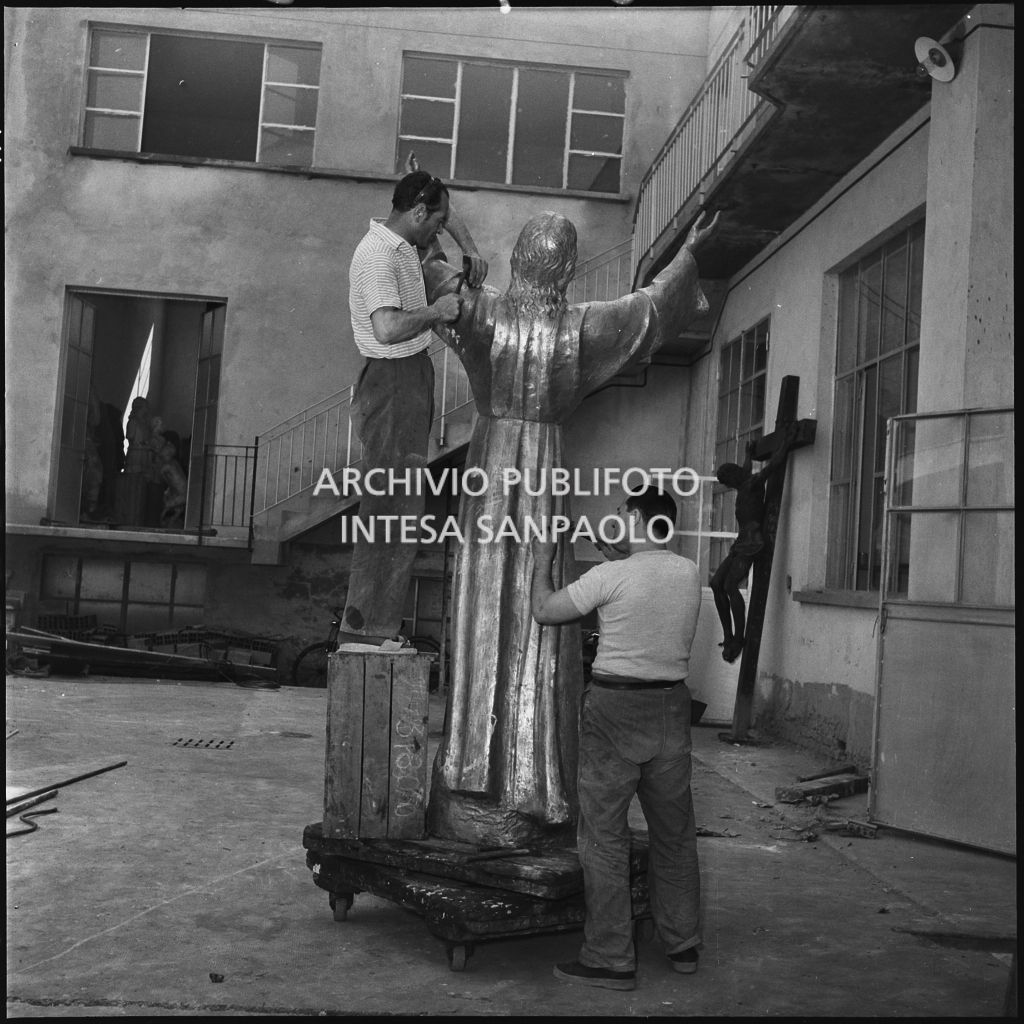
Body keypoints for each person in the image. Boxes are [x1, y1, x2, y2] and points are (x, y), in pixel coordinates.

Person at [422, 207, 718, 849]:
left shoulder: (485, 313)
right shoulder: (579, 328)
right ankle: (536, 783)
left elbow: (432, 278)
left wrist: (436, 227)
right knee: (536, 611)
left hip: (489, 469)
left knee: (483, 612)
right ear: (566, 269)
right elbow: (648, 311)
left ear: (521, 258)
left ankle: (471, 773)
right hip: (545, 477)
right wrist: (686, 255)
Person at [531, 486, 703, 991]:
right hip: (671, 707)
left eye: (621, 515)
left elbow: (546, 610)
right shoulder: (687, 572)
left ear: (633, 516)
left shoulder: (608, 577)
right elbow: (644, 579)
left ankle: (610, 958)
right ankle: (683, 944)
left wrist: (544, 558)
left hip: (615, 710)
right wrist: (615, 557)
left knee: (604, 837)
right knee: (674, 834)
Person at [338, 170, 487, 650]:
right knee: (391, 507)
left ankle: (376, 624)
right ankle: (368, 628)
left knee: (403, 505)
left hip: (407, 378)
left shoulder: (403, 241)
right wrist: (437, 312)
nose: (439, 232)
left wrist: (470, 247)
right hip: (392, 381)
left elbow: (446, 215)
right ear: (418, 213)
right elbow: (385, 328)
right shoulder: (381, 256)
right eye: (436, 224)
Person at [710, 423, 799, 663]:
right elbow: (746, 470)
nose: (729, 485)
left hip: (752, 542)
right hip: (741, 542)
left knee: (730, 586)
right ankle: (728, 635)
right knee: (715, 583)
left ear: (733, 478)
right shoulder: (743, 484)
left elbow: (773, 466)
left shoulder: (751, 484)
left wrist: (787, 443)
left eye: (728, 480)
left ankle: (739, 637)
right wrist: (748, 455)